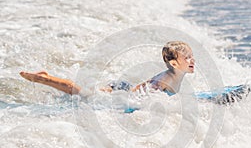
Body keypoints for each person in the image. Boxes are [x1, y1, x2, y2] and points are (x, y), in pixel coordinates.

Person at [20, 41, 195, 96]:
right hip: (123, 91)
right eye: (187, 57)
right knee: (85, 94)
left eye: (191, 55)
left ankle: (47, 77)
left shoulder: (176, 74)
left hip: (123, 87)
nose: (192, 59)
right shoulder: (166, 78)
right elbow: (139, 94)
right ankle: (44, 78)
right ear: (173, 64)